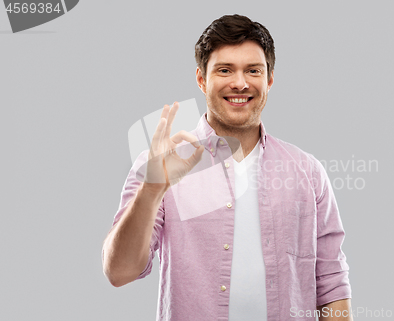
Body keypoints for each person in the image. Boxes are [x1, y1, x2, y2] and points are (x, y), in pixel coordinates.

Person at [102, 14, 353, 321]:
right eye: (224, 70)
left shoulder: (307, 171)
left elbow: (331, 283)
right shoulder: (158, 166)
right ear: (201, 79)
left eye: (253, 70)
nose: (240, 82)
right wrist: (152, 189)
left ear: (269, 79)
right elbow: (120, 272)